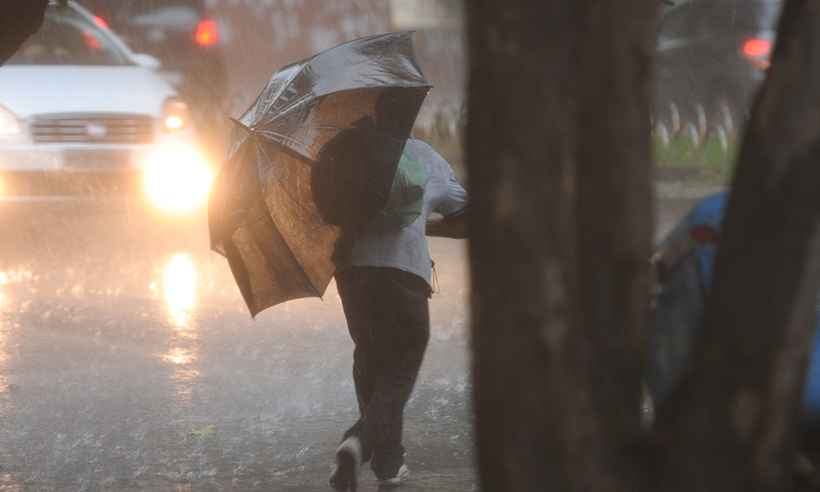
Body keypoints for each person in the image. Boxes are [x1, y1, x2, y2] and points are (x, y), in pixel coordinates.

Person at [329, 137, 467, 491]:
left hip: (352, 273)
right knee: (400, 367)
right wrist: (424, 225)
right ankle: (358, 442)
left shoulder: (340, 154)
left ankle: (388, 463)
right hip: (404, 273)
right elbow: (466, 218)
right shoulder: (422, 156)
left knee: (371, 358)